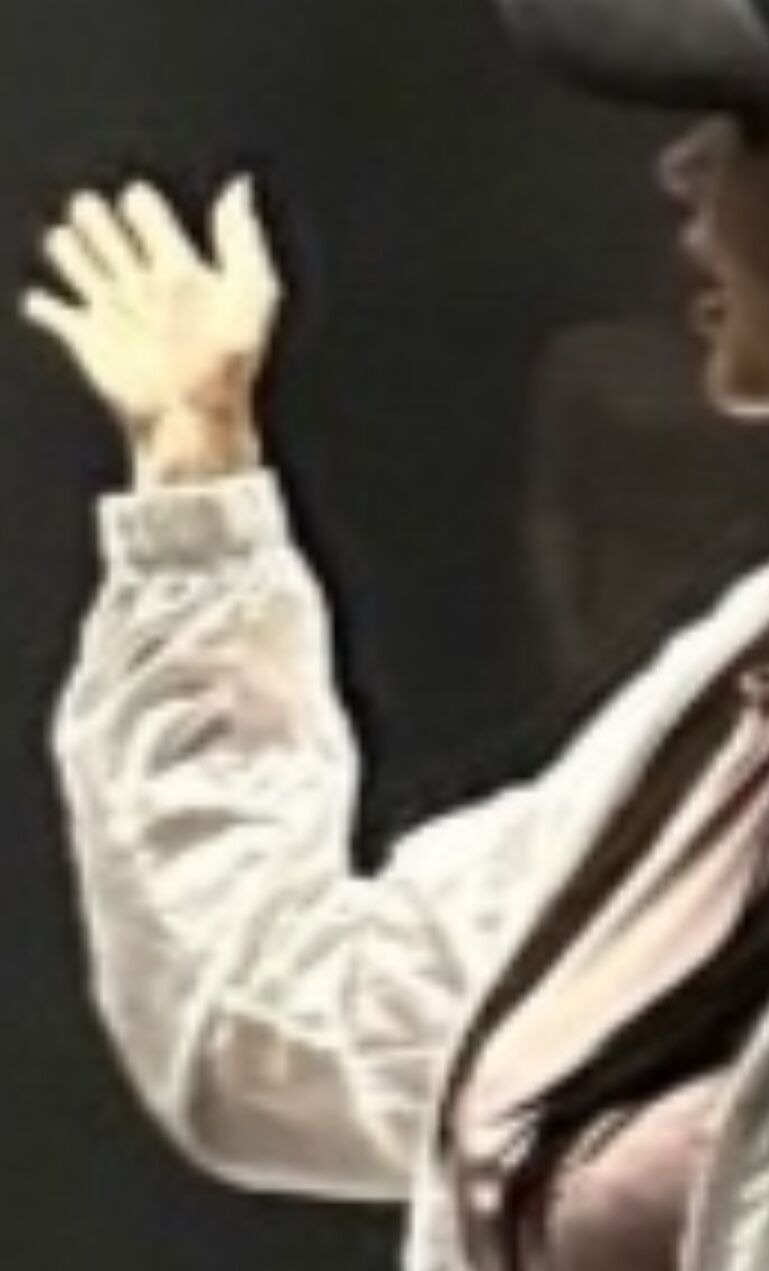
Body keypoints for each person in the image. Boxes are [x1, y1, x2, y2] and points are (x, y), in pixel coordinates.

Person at [22, 1, 769, 1268]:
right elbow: (281, 1035)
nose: (681, 167)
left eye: (748, 129)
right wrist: (195, 459)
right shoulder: (735, 695)